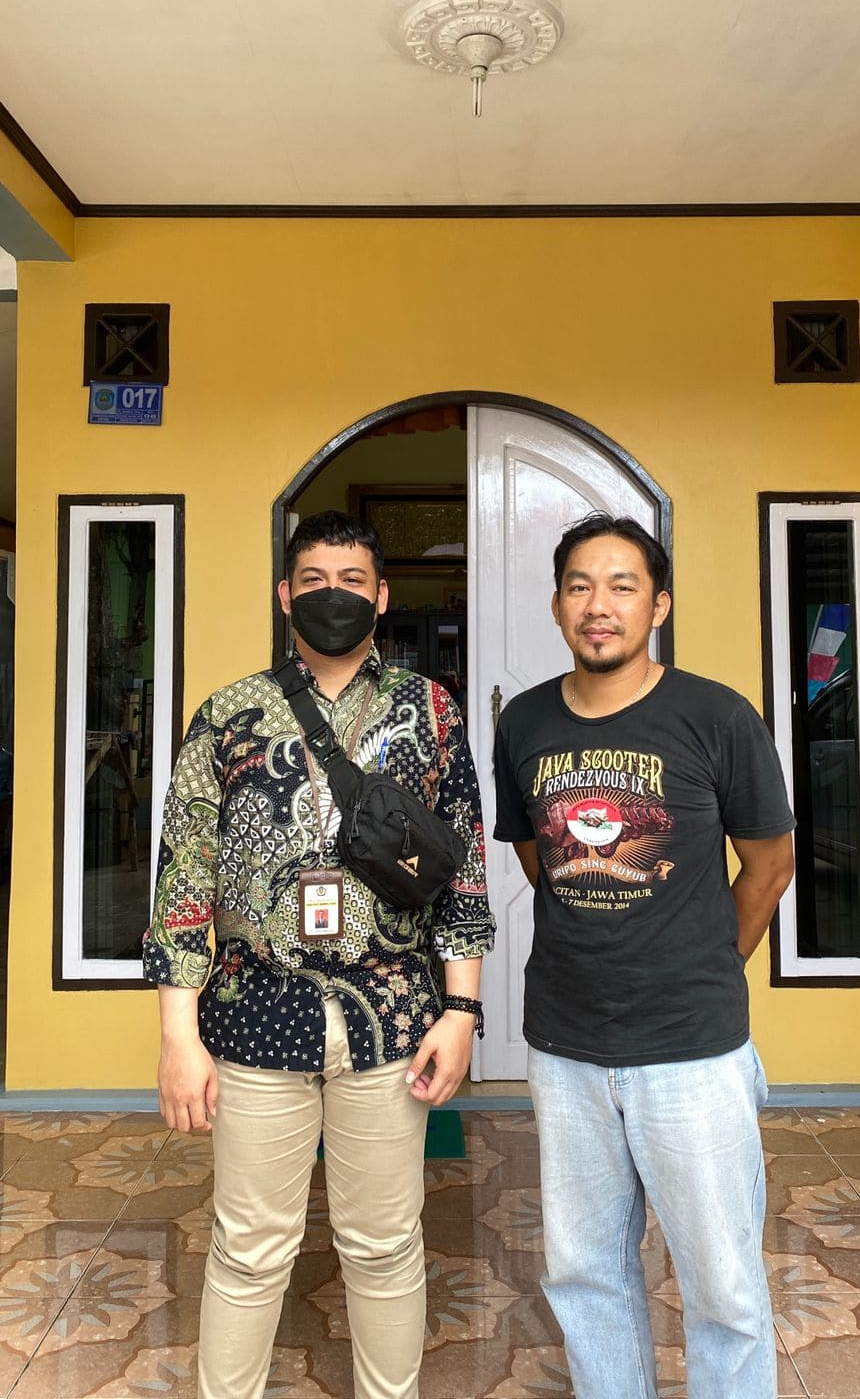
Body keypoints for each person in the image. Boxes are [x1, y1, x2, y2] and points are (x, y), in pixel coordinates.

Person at [144, 510, 495, 1399]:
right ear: (284, 595)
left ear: (382, 597)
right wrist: (179, 1036)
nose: (331, 596)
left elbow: (463, 870)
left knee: (385, 1244)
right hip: (256, 1013)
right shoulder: (226, 715)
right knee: (249, 1247)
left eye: (351, 581)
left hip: (394, 1019)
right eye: (313, 581)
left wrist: (462, 1010)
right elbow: (183, 875)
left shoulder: (431, 711)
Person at [492, 512, 795, 1399]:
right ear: (557, 605)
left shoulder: (716, 715)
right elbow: (539, 857)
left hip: (692, 1047)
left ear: (657, 605)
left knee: (724, 1286)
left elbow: (770, 864)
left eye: (623, 586)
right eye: (581, 586)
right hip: (566, 1043)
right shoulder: (525, 722)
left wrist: (707, 961)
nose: (600, 605)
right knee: (584, 1272)